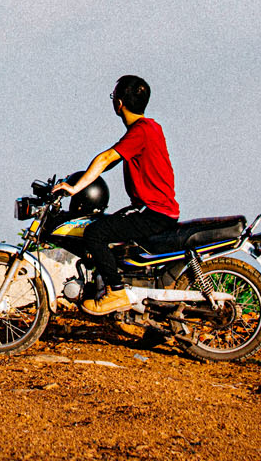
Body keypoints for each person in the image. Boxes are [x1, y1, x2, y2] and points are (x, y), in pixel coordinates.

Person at [51, 74, 180, 315]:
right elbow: (112, 160)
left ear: (119, 103)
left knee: (95, 233)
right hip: (156, 210)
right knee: (108, 227)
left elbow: (106, 158)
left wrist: (74, 188)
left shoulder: (140, 132)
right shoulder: (149, 128)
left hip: (153, 212)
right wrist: (83, 176)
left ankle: (116, 292)